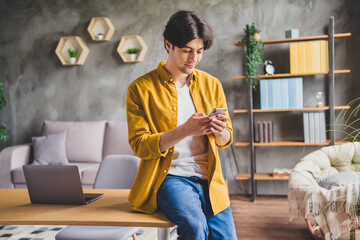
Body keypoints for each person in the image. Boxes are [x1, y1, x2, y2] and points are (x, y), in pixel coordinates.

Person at [126, 10, 237, 240]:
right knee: (195, 229)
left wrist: (220, 132)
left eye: (199, 52)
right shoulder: (140, 89)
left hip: (211, 179)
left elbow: (227, 138)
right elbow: (139, 145)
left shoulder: (212, 85)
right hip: (171, 178)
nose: (193, 59)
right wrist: (185, 130)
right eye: (187, 50)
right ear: (169, 44)